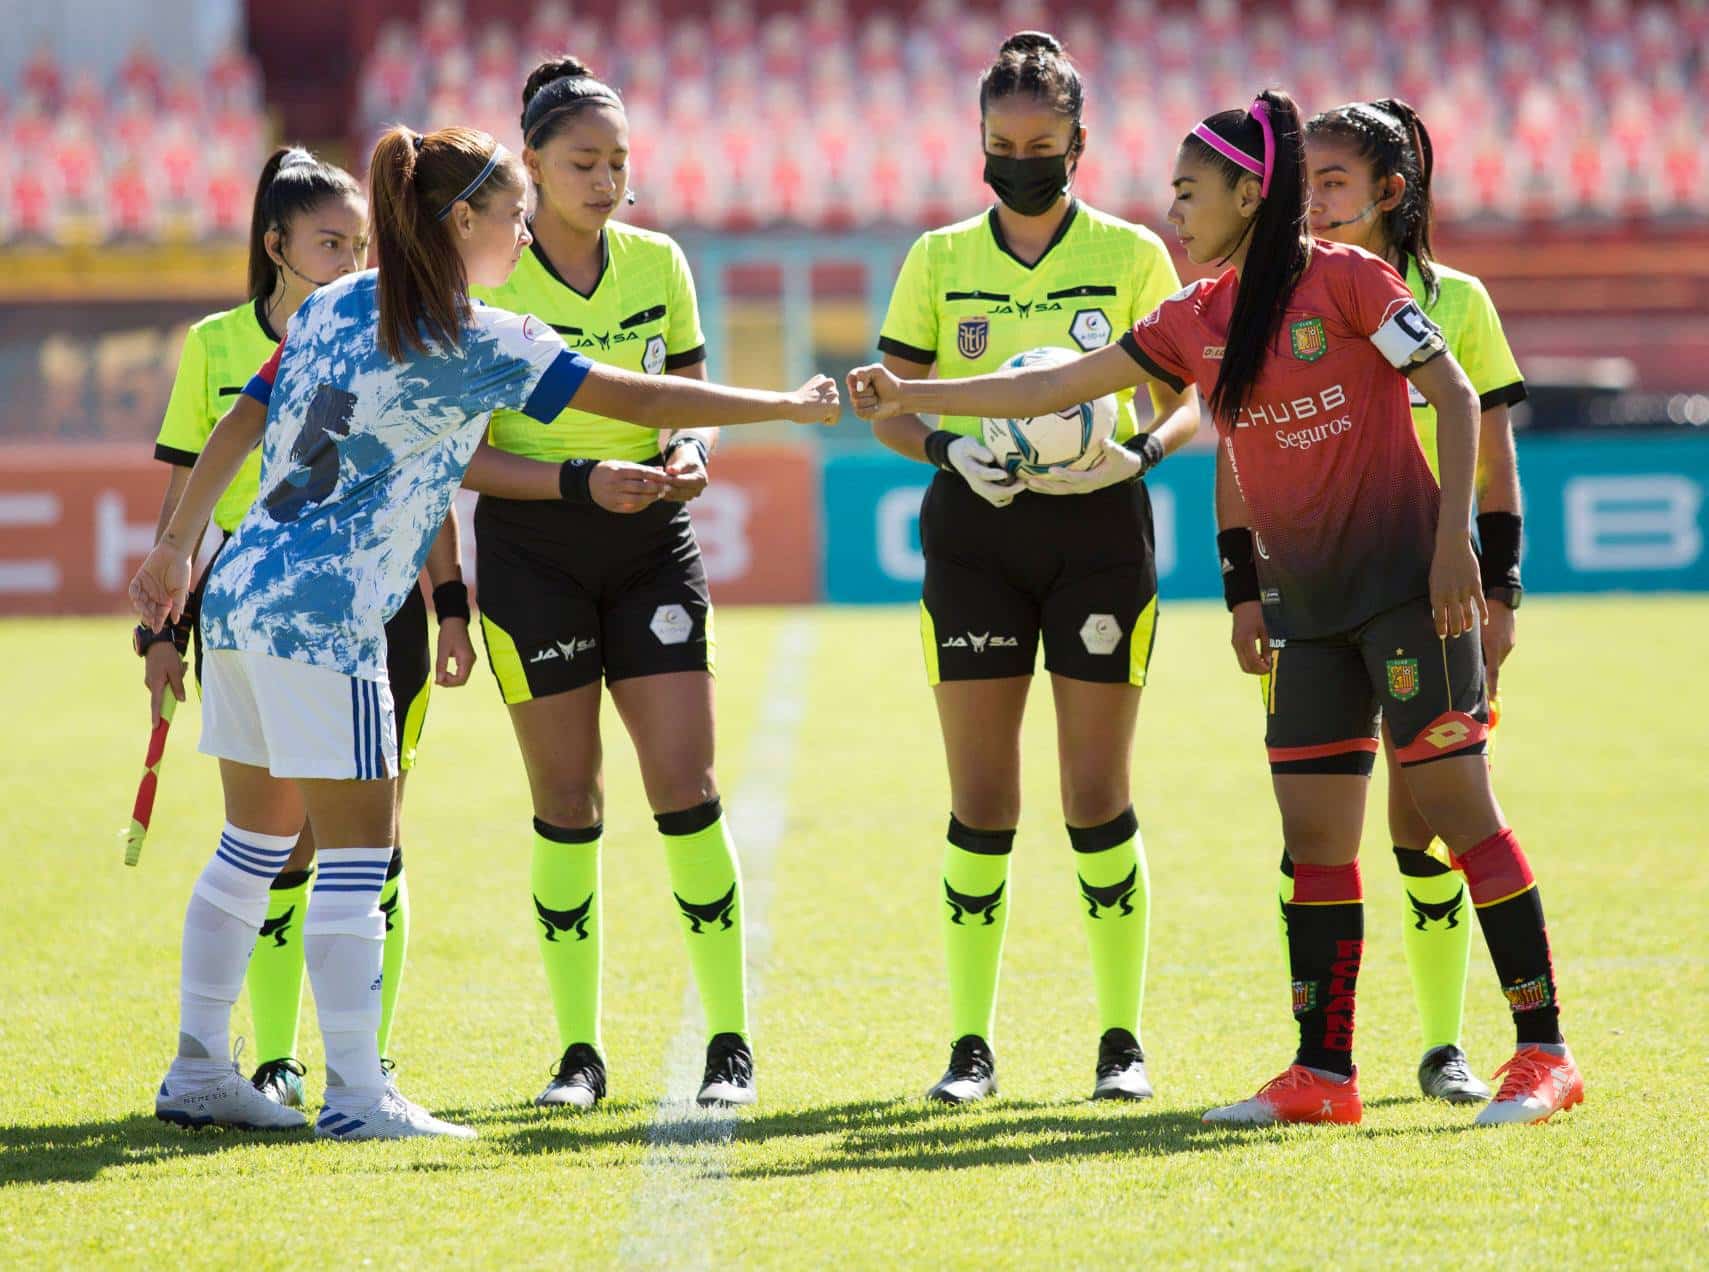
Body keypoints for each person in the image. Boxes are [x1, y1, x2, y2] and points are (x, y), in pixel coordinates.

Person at [848, 89, 1581, 1128]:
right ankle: (1322, 1073)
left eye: (1189, 194)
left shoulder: (1351, 279)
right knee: (1314, 837)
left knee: (1457, 810)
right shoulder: (1195, 318)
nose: (1172, 214)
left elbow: (1456, 396)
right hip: (1305, 608)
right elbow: (1053, 388)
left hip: (1405, 595)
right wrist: (909, 397)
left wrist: (1452, 548)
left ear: (1250, 192)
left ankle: (1542, 1051)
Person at [131, 123, 839, 1140]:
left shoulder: (335, 302)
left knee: (250, 843)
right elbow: (632, 394)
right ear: (462, 220)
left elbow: (243, 418)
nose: (521, 234)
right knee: (355, 865)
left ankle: (198, 1068)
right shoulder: (478, 338)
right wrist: (782, 403)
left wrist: (175, 550)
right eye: (512, 216)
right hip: (331, 617)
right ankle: (358, 1099)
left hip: (239, 595)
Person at [869, 32, 1200, 1104]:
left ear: (1078, 144)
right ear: (977, 141)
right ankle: (969, 1047)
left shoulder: (1133, 253)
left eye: (1043, 144)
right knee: (981, 804)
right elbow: (885, 401)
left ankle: (1120, 1042)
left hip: (1102, 537)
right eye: (1003, 143)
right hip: (971, 537)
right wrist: (943, 447)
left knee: (1096, 798)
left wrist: (1138, 452)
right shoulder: (937, 258)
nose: (1022, 159)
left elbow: (1189, 394)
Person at [142, 145, 474, 1110]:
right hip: (253, 599)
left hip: (373, 597)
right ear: (275, 243)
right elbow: (186, 485)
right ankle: (280, 1058)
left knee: (377, 834)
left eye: (361, 243)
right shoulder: (213, 344)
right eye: (331, 242)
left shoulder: (386, 326)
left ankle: (367, 1061)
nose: (351, 259)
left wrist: (448, 602)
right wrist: (164, 623)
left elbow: (429, 478)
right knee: (273, 841)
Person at [457, 55, 760, 1110]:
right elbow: (459, 454)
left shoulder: (658, 262)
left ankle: (728, 1040)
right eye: (583, 161)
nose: (606, 178)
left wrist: (691, 455)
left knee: (685, 790)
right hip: (531, 555)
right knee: (566, 801)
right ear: (531, 165)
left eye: (618, 161)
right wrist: (581, 479)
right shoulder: (485, 282)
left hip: (649, 549)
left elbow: (687, 392)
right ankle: (578, 1054)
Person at [1304, 98, 1527, 1103]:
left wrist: (1499, 589)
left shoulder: (1458, 302)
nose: (1308, 203)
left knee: (1422, 822)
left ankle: (1444, 1047)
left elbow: (1492, 467)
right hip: (1325, 597)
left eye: (1330, 185)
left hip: (1430, 596)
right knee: (1316, 826)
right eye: (1300, 183)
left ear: (1390, 194)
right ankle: (1318, 1053)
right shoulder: (1291, 296)